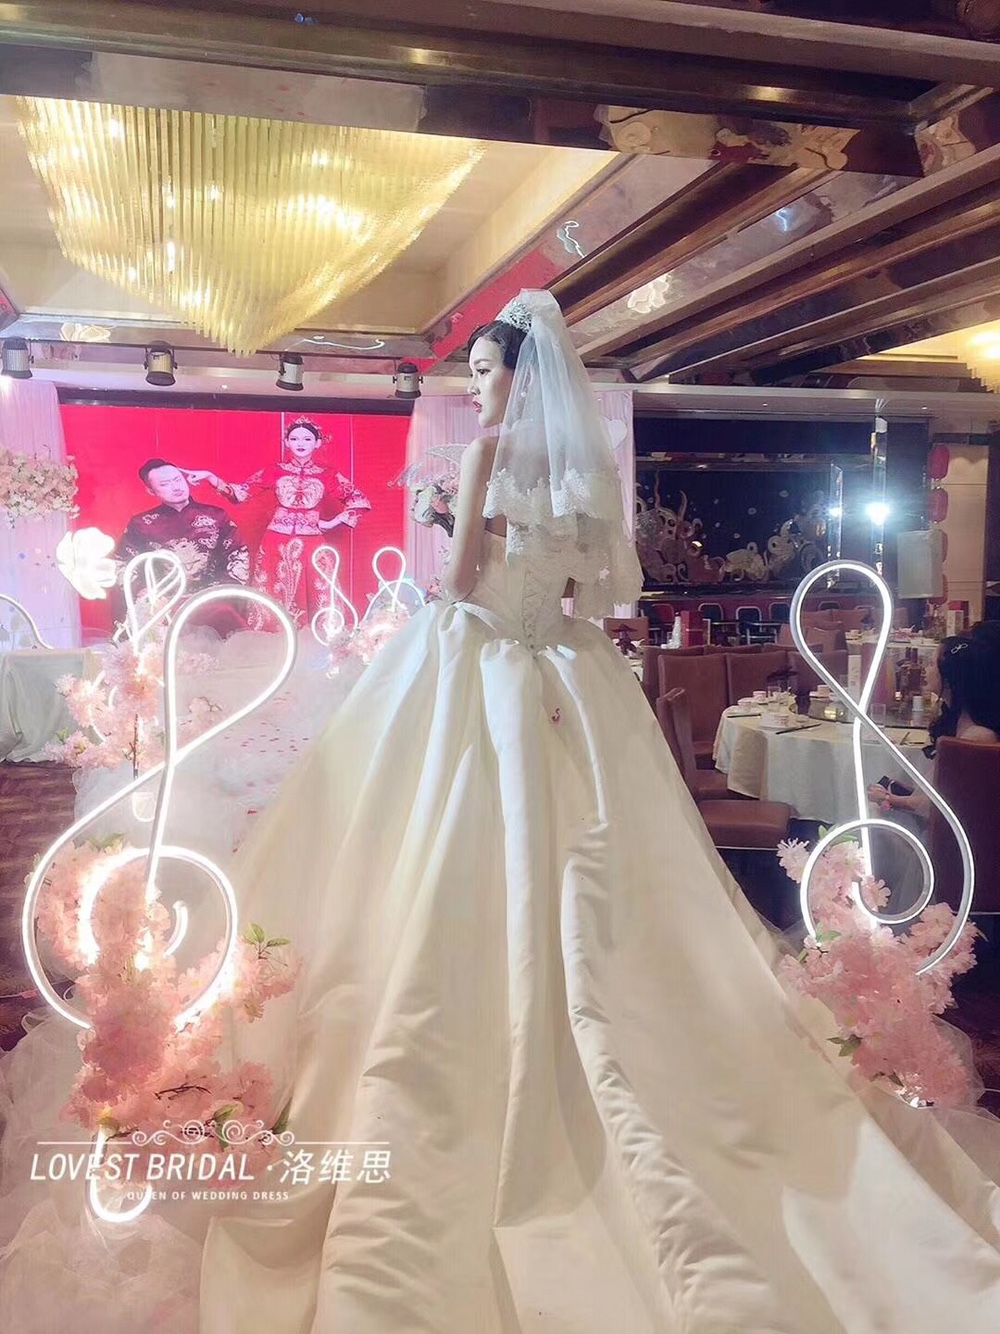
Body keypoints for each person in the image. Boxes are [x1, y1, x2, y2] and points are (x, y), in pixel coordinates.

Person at [4, 292, 1000, 1333]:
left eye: (485, 371)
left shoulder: (486, 456)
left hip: (479, 663)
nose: (478, 387)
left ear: (520, 378)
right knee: (594, 856)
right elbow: (596, 593)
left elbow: (458, 586)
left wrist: (463, 551)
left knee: (423, 839)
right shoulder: (582, 477)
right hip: (570, 675)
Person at [186, 418, 371, 628]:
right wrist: (210, 477)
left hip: (311, 543)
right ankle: (274, 637)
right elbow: (239, 494)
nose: (300, 443)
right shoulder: (274, 471)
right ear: (286, 442)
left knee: (319, 588)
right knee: (273, 589)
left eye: (307, 439)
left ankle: (319, 635)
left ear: (317, 443)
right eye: (294, 438)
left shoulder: (328, 475)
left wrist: (332, 523)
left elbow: (360, 501)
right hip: (276, 541)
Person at [868, 634, 1000, 818]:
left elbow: (942, 805)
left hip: (946, 831)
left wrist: (888, 798)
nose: (925, 669)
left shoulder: (977, 737)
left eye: (931, 664)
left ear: (949, 678)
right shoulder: (959, 722)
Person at [118, 457, 250, 590]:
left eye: (178, 480)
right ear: (151, 491)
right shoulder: (141, 524)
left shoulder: (216, 516)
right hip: (164, 597)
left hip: (212, 595)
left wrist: (222, 592)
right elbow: (121, 562)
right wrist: (147, 593)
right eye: (165, 484)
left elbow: (238, 554)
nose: (176, 487)